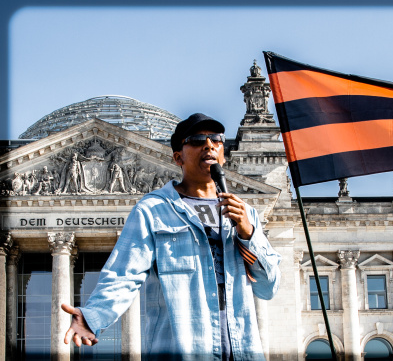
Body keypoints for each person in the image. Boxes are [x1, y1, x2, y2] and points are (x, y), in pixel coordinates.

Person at [61, 113, 281, 360]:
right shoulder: (153, 210)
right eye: (197, 140)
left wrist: (247, 232)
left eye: (216, 139)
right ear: (178, 157)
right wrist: (93, 316)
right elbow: (123, 274)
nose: (208, 145)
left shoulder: (245, 213)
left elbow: (268, 286)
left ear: (223, 154)